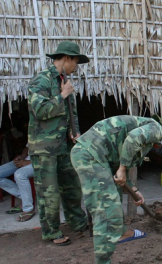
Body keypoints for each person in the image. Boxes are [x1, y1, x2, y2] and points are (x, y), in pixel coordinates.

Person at [70, 114, 162, 264]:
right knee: (107, 212)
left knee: (113, 195)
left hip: (95, 156)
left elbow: (119, 167)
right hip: (90, 156)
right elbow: (132, 138)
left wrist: (134, 190)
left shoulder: (147, 132)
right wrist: (123, 169)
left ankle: (121, 232)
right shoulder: (156, 128)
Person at [27, 41, 89, 245]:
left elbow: (72, 114)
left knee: (72, 187)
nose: (76, 67)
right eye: (76, 62)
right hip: (44, 148)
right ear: (67, 58)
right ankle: (51, 232)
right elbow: (40, 110)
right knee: (49, 193)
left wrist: (75, 132)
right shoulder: (41, 80)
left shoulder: (65, 81)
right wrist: (62, 95)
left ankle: (77, 222)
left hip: (64, 147)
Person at [0, 144, 35, 222]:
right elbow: (27, 147)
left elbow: (50, 155)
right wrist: (21, 157)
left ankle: (28, 209)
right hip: (26, 160)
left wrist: (29, 162)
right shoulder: (32, 131)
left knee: (19, 174)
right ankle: (25, 197)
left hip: (40, 163)